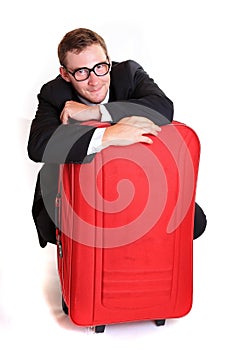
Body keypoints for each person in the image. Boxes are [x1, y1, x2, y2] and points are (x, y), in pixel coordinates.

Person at [27, 28, 206, 248]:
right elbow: (39, 145)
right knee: (52, 224)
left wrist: (96, 113)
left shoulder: (128, 73)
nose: (94, 81)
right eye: (81, 72)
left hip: (139, 182)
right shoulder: (54, 93)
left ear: (109, 62)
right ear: (65, 74)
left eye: (100, 67)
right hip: (76, 191)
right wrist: (107, 135)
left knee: (194, 223)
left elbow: (163, 108)